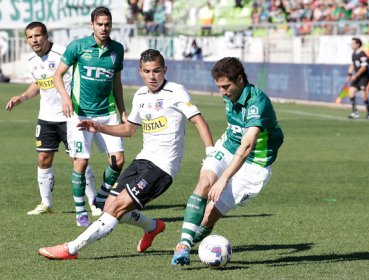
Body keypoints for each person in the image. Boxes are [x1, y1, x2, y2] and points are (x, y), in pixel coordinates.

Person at [38, 48, 214, 260]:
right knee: (109, 205)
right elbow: (129, 129)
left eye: (157, 71)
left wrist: (210, 152)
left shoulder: (176, 92)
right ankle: (153, 226)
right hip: (142, 160)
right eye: (147, 71)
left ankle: (71, 248)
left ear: (164, 70)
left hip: (162, 168)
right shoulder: (140, 95)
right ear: (140, 72)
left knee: (117, 207)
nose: (152, 76)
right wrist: (99, 127)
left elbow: (198, 120)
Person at [171, 57, 284, 266]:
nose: (222, 92)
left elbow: (248, 144)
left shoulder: (257, 103)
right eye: (219, 87)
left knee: (209, 214)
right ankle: (183, 246)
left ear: (240, 80)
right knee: (204, 182)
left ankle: (196, 241)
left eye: (225, 86)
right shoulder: (229, 94)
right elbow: (238, 139)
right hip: (229, 146)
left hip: (255, 163)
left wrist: (224, 178)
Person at [5, 21, 101, 217]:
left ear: (46, 36)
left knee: (79, 160)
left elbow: (80, 75)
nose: (34, 40)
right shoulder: (32, 60)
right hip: (46, 117)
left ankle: (94, 203)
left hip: (70, 117)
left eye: (38, 36)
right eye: (30, 37)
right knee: (43, 158)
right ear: (26, 40)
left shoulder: (63, 54)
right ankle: (46, 203)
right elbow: (38, 84)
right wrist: (21, 98)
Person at [53, 7, 126, 227]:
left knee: (118, 160)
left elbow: (116, 83)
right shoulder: (78, 47)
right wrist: (65, 98)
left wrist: (122, 111)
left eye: (107, 24)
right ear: (92, 24)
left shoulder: (117, 50)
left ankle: (101, 197)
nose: (104, 28)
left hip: (108, 113)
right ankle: (80, 210)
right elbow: (58, 75)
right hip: (80, 114)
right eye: (100, 24)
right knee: (81, 162)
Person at [347, 37, 369, 119]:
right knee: (351, 92)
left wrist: (355, 75)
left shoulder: (363, 54)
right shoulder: (354, 54)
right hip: (356, 77)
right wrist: (349, 74)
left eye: (353, 43)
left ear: (358, 44)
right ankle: (355, 112)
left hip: (363, 77)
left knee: (363, 94)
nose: (352, 45)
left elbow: (364, 68)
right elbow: (353, 65)